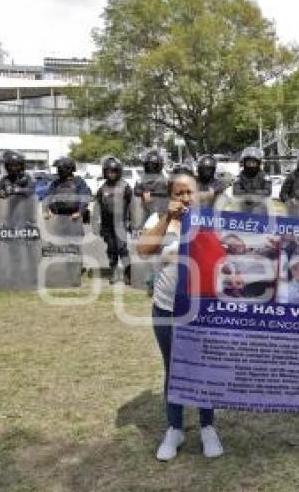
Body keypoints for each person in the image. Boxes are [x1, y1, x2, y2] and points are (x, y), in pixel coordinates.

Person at [137, 173, 223, 461]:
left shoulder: (211, 221)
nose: (186, 198)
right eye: (180, 193)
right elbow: (144, 249)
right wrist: (166, 220)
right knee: (174, 368)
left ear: (198, 194)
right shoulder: (157, 220)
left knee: (203, 369)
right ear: (170, 195)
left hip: (202, 310)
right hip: (166, 309)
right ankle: (175, 428)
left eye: (190, 192)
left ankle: (207, 426)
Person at [94, 157, 133, 284]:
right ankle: (114, 272)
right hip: (107, 224)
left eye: (114, 171)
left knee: (122, 248)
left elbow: (132, 205)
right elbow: (97, 206)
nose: (111, 174)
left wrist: (131, 221)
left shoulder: (125, 186)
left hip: (121, 223)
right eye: (109, 171)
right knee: (111, 249)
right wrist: (96, 222)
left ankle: (128, 273)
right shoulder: (102, 189)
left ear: (119, 172)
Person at [232, 147, 272, 211]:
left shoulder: (264, 176)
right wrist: (248, 194)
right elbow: (236, 191)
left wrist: (253, 192)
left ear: (258, 163)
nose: (251, 165)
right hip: (243, 206)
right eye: (248, 163)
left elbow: (267, 191)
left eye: (253, 163)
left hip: (260, 206)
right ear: (244, 163)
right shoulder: (240, 176)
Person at [134, 150, 169, 216]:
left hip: (161, 213)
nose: (151, 167)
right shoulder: (141, 180)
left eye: (154, 165)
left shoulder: (165, 181)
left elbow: (169, 193)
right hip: (145, 211)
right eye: (149, 165)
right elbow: (136, 192)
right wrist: (143, 193)